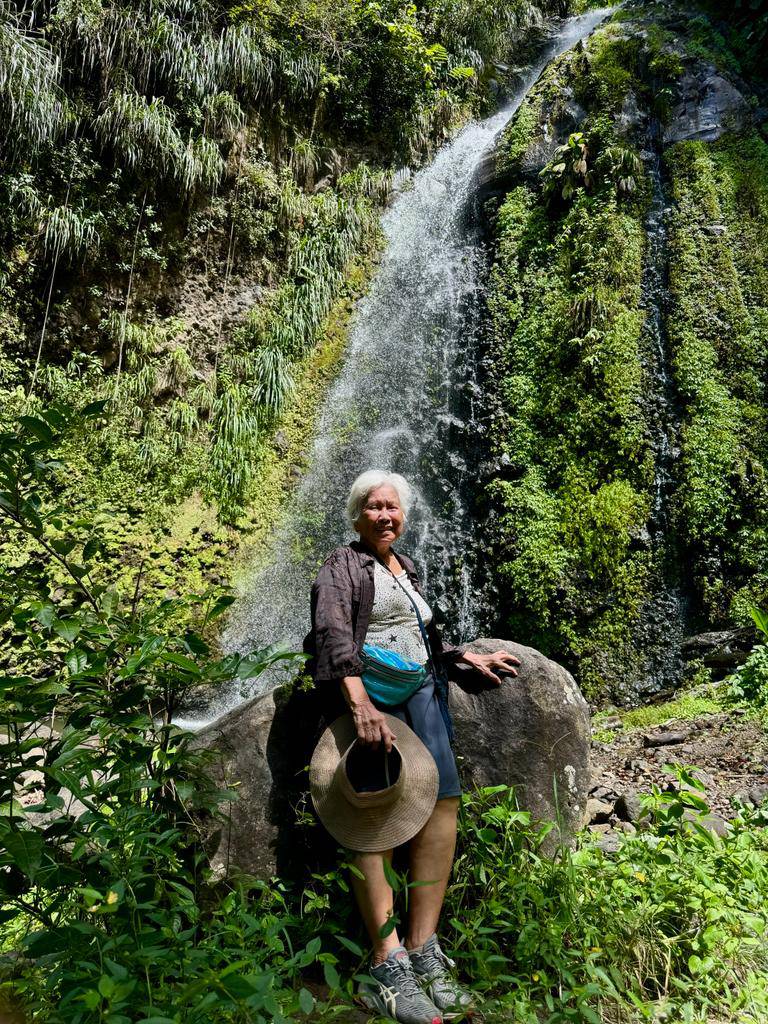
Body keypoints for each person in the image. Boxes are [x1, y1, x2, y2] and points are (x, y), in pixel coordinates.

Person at [304, 470, 520, 1024]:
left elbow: (420, 637)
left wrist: (463, 657)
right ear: (356, 516)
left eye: (392, 507)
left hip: (422, 691)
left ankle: (425, 947)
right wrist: (358, 706)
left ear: (404, 516)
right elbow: (332, 633)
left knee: (443, 800)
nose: (384, 516)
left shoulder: (407, 569)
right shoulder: (340, 566)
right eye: (373, 507)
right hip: (371, 700)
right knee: (371, 813)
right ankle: (386, 959)